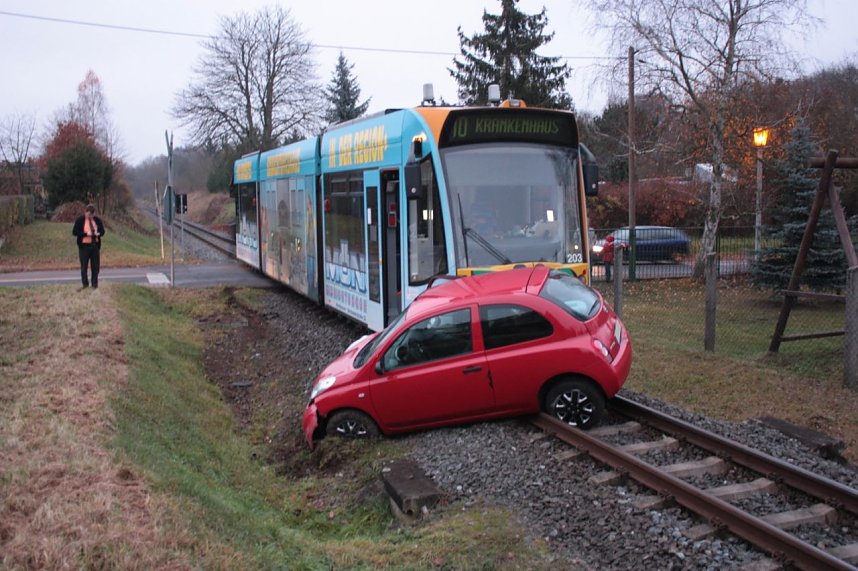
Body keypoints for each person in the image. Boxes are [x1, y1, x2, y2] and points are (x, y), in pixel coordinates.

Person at [72, 204, 105, 289]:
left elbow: (102, 231)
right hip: (84, 246)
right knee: (84, 266)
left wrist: (98, 234)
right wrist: (85, 234)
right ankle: (85, 284)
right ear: (86, 212)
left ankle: (94, 284)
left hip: (95, 246)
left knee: (95, 267)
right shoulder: (80, 220)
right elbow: (75, 232)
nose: (91, 216)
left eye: (92, 215)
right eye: (89, 214)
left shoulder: (97, 220)